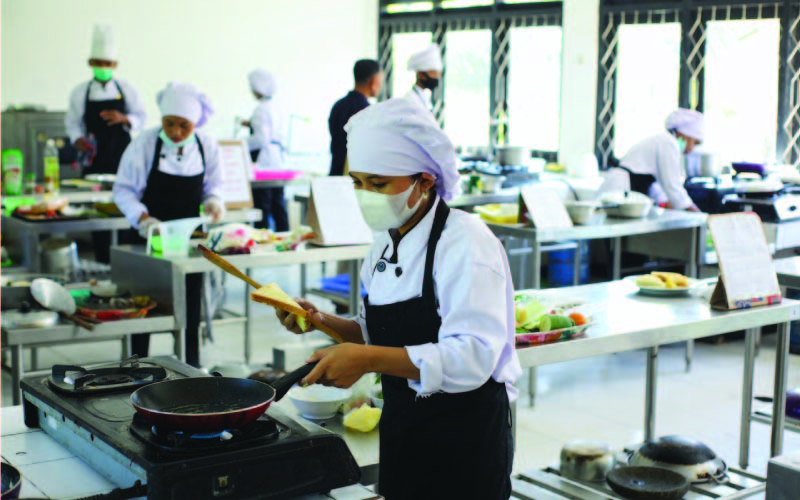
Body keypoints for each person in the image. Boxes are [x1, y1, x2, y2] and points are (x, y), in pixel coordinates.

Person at [276, 98, 521, 500]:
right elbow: (380, 331)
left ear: (424, 181)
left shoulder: (465, 242)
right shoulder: (383, 243)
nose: (365, 195)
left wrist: (367, 359)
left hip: (465, 442)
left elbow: (472, 357)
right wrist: (321, 320)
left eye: (378, 184)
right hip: (404, 430)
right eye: (357, 183)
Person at [113, 83, 225, 367]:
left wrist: (213, 201)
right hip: (147, 237)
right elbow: (123, 190)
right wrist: (142, 218)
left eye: (184, 125)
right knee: (143, 308)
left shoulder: (206, 145)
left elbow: (215, 185)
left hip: (187, 241)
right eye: (170, 123)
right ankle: (136, 368)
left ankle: (191, 367)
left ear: (196, 123)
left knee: (189, 308)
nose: (176, 131)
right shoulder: (145, 143)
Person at [65, 24, 146, 263]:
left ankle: (127, 260)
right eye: (99, 63)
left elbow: (141, 117)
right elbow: (72, 122)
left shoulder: (127, 89)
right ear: (90, 63)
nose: (103, 67)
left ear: (115, 65)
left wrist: (124, 119)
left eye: (108, 63)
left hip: (123, 158)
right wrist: (77, 140)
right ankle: (102, 260)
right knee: (98, 212)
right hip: (95, 161)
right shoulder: (80, 92)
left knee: (125, 207)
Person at [605, 109, 704, 211]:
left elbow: (657, 185)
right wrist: (697, 214)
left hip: (627, 189)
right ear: (685, 134)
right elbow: (673, 186)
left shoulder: (664, 141)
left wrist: (667, 202)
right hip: (620, 189)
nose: (692, 148)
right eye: (694, 142)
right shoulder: (668, 142)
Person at [242, 69, 289, 231]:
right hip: (278, 160)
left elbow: (261, 139)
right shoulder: (276, 107)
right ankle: (285, 235)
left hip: (265, 162)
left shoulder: (261, 109)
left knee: (263, 204)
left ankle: (261, 236)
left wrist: (241, 144)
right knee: (278, 203)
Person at [328, 59, 383, 176]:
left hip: (334, 175)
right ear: (373, 82)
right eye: (381, 81)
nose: (381, 85)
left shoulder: (338, 106)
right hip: (354, 179)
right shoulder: (368, 112)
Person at [404, 44, 442, 112]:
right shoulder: (410, 99)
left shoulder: (425, 96)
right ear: (420, 74)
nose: (437, 78)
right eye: (433, 73)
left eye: (438, 74)